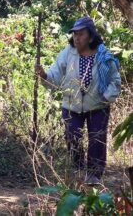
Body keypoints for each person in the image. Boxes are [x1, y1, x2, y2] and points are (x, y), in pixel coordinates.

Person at [36, 17, 121, 185]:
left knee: (97, 140)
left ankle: (94, 176)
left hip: (98, 105)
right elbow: (56, 75)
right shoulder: (68, 53)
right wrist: (44, 76)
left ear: (90, 37)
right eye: (75, 34)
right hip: (71, 105)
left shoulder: (103, 55)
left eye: (81, 34)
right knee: (72, 136)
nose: (77, 38)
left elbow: (115, 80)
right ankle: (78, 170)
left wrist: (106, 97)